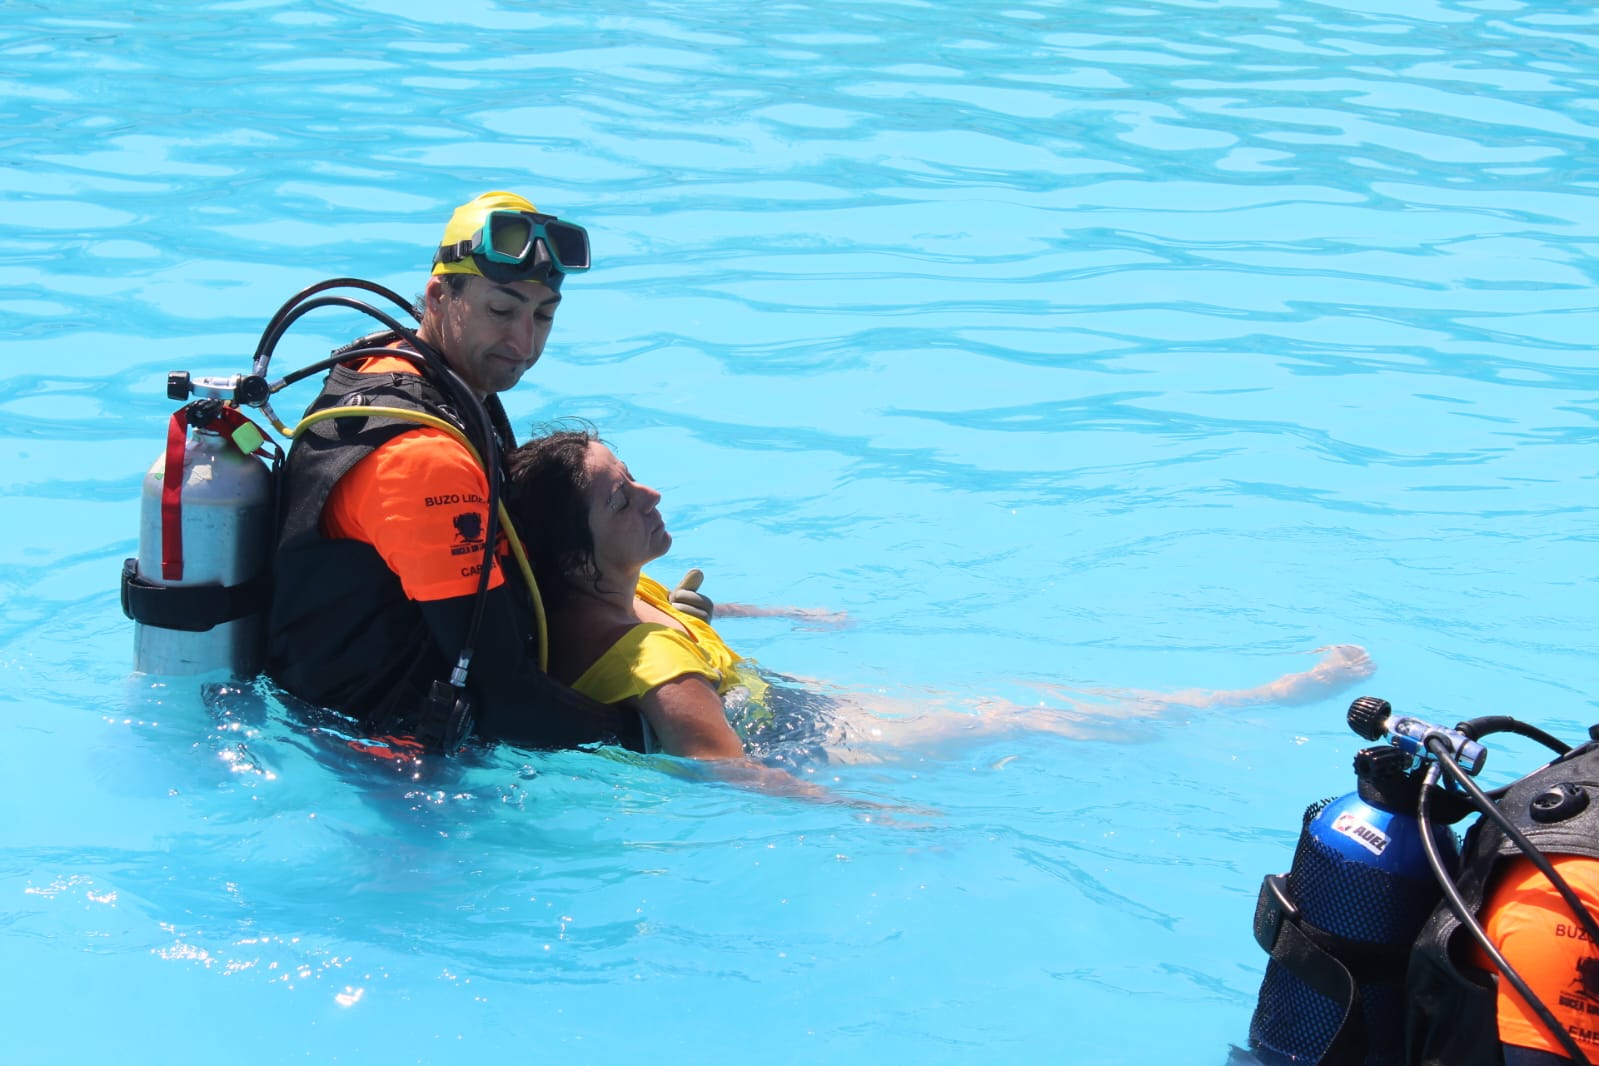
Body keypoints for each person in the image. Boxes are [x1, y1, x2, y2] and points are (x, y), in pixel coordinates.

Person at [504, 424, 1379, 764]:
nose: (652, 497)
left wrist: (775, 614)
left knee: (1023, 705)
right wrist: (865, 813)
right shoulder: (657, 668)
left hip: (795, 706)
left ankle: (1227, 698)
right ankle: (1255, 700)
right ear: (579, 555)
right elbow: (728, 772)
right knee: (1037, 716)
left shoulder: (590, 595)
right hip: (808, 743)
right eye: (623, 499)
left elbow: (668, 606)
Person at [266, 191, 697, 754]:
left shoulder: (412, 374)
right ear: (440, 296)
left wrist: (643, 604)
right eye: (502, 310)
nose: (524, 343)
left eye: (543, 316)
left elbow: (511, 572)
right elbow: (502, 700)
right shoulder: (425, 460)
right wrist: (663, 732)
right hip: (379, 765)